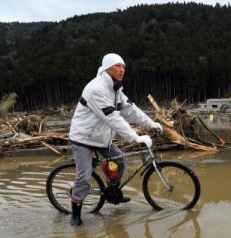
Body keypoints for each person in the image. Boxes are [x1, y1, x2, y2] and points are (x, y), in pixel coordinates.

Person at [68, 53, 162, 226]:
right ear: (106, 68)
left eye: (124, 66)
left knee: (120, 161)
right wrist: (135, 137)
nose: (122, 69)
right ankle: (75, 215)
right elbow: (112, 117)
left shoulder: (116, 89)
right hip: (83, 138)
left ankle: (112, 192)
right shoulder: (96, 89)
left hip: (102, 138)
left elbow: (130, 109)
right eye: (118, 65)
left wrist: (151, 124)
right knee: (84, 179)